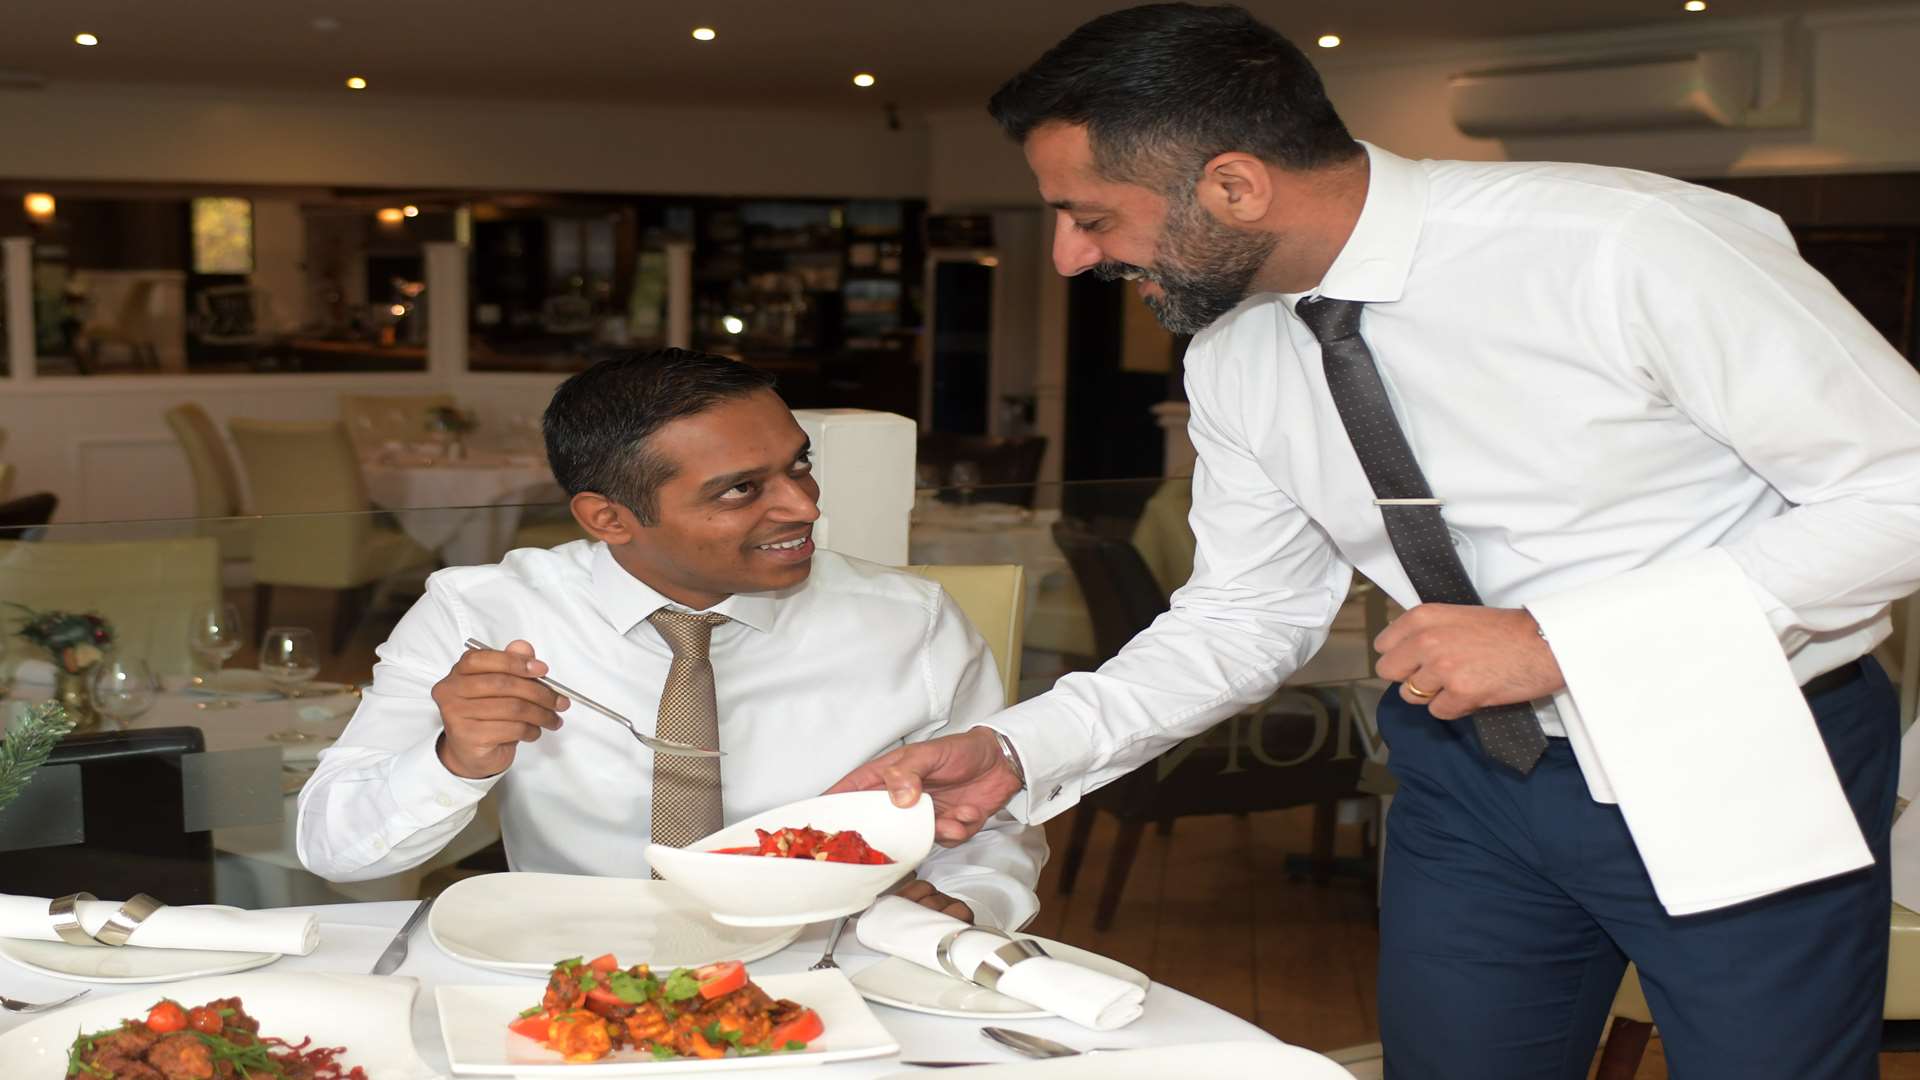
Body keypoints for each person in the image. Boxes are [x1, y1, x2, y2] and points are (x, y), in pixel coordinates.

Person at [830, 4, 1920, 1076]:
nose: (1071, 257)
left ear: (1235, 184)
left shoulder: (1624, 246)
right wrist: (1024, 747)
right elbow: (1246, 617)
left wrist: (1565, 642)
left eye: (1092, 216)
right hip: (1465, 776)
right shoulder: (1233, 357)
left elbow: (1903, 487)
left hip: (1739, 745)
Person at [298, 349, 1046, 930]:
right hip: (576, 982)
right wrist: (453, 761)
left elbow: (989, 826)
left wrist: (965, 905)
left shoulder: (909, 622)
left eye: (799, 467)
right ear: (609, 519)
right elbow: (336, 851)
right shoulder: (481, 615)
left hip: (837, 965)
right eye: (741, 490)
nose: (803, 507)